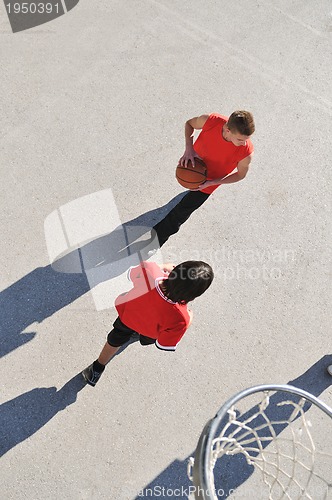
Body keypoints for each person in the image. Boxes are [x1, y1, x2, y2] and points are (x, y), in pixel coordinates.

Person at [82, 260, 214, 386]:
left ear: (175, 271)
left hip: (128, 316)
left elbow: (132, 274)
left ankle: (97, 369)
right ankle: (137, 334)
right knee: (144, 336)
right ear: (195, 295)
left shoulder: (150, 271)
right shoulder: (182, 319)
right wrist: (189, 320)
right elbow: (164, 343)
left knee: (115, 340)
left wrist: (161, 266)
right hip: (149, 332)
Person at [152, 111, 255, 248]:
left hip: (210, 181)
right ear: (227, 130)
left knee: (182, 211)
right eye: (240, 140)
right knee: (188, 189)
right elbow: (189, 124)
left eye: (246, 139)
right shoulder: (211, 121)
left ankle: (156, 238)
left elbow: (240, 175)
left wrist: (213, 182)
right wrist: (189, 149)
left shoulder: (245, 152)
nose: (244, 144)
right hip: (193, 167)